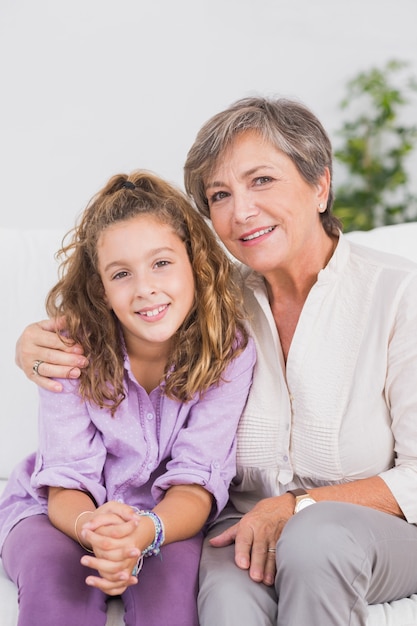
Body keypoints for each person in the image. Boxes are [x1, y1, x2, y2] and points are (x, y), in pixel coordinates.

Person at [14, 97, 417, 626]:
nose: (241, 211)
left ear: (320, 185)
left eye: (262, 181)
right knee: (226, 600)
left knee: (315, 542)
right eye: (220, 194)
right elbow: (123, 304)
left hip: (374, 527)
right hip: (243, 524)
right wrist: (32, 342)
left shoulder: (399, 293)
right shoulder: (212, 303)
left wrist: (298, 506)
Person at [0, 170, 256, 626]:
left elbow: (196, 479)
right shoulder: (69, 348)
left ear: (193, 262)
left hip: (166, 519)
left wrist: (142, 532)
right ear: (101, 288)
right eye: (121, 274)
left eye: (161, 263)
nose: (144, 289)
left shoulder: (227, 349)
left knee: (171, 605)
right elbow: (66, 480)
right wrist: (93, 531)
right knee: (56, 587)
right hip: (60, 513)